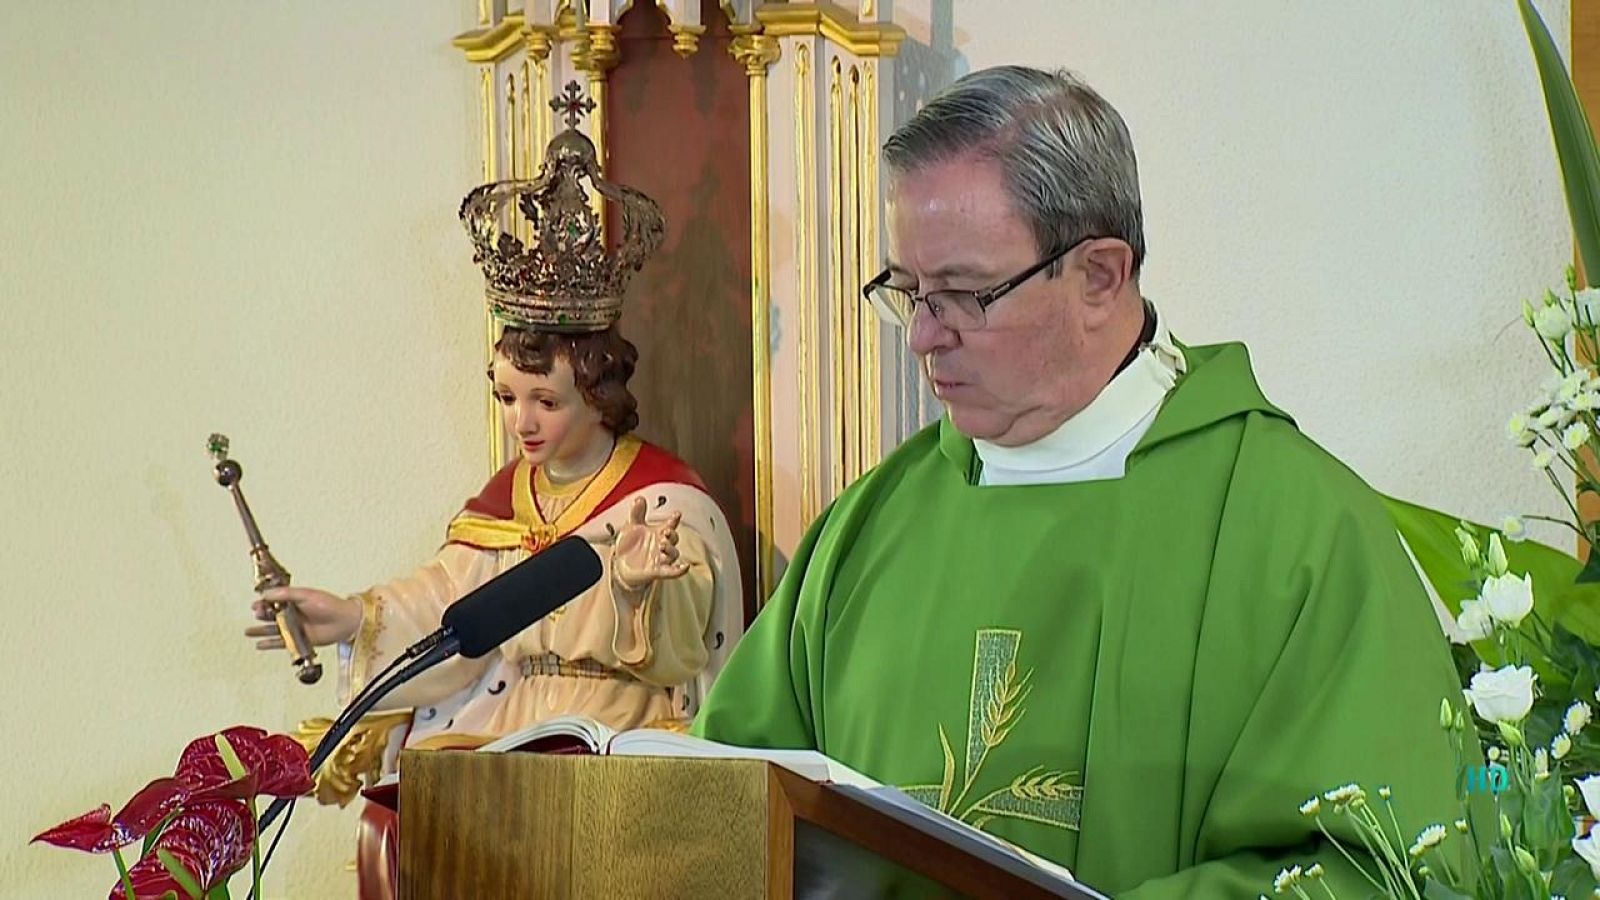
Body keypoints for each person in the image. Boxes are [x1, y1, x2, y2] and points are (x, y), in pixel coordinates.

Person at [691, 65, 1468, 897]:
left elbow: (1379, 869)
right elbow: (717, 807)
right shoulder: (869, 526)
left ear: (1100, 275)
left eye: (960, 293)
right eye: (908, 292)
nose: (921, 337)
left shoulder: (1298, 531)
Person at [246, 123, 744, 750]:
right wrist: (352, 616)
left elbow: (690, 638)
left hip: (617, 734)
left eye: (546, 401)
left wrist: (640, 591)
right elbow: (447, 604)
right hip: (511, 728)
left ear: (599, 394)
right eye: (507, 398)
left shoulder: (662, 498)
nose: (522, 422)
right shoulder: (507, 499)